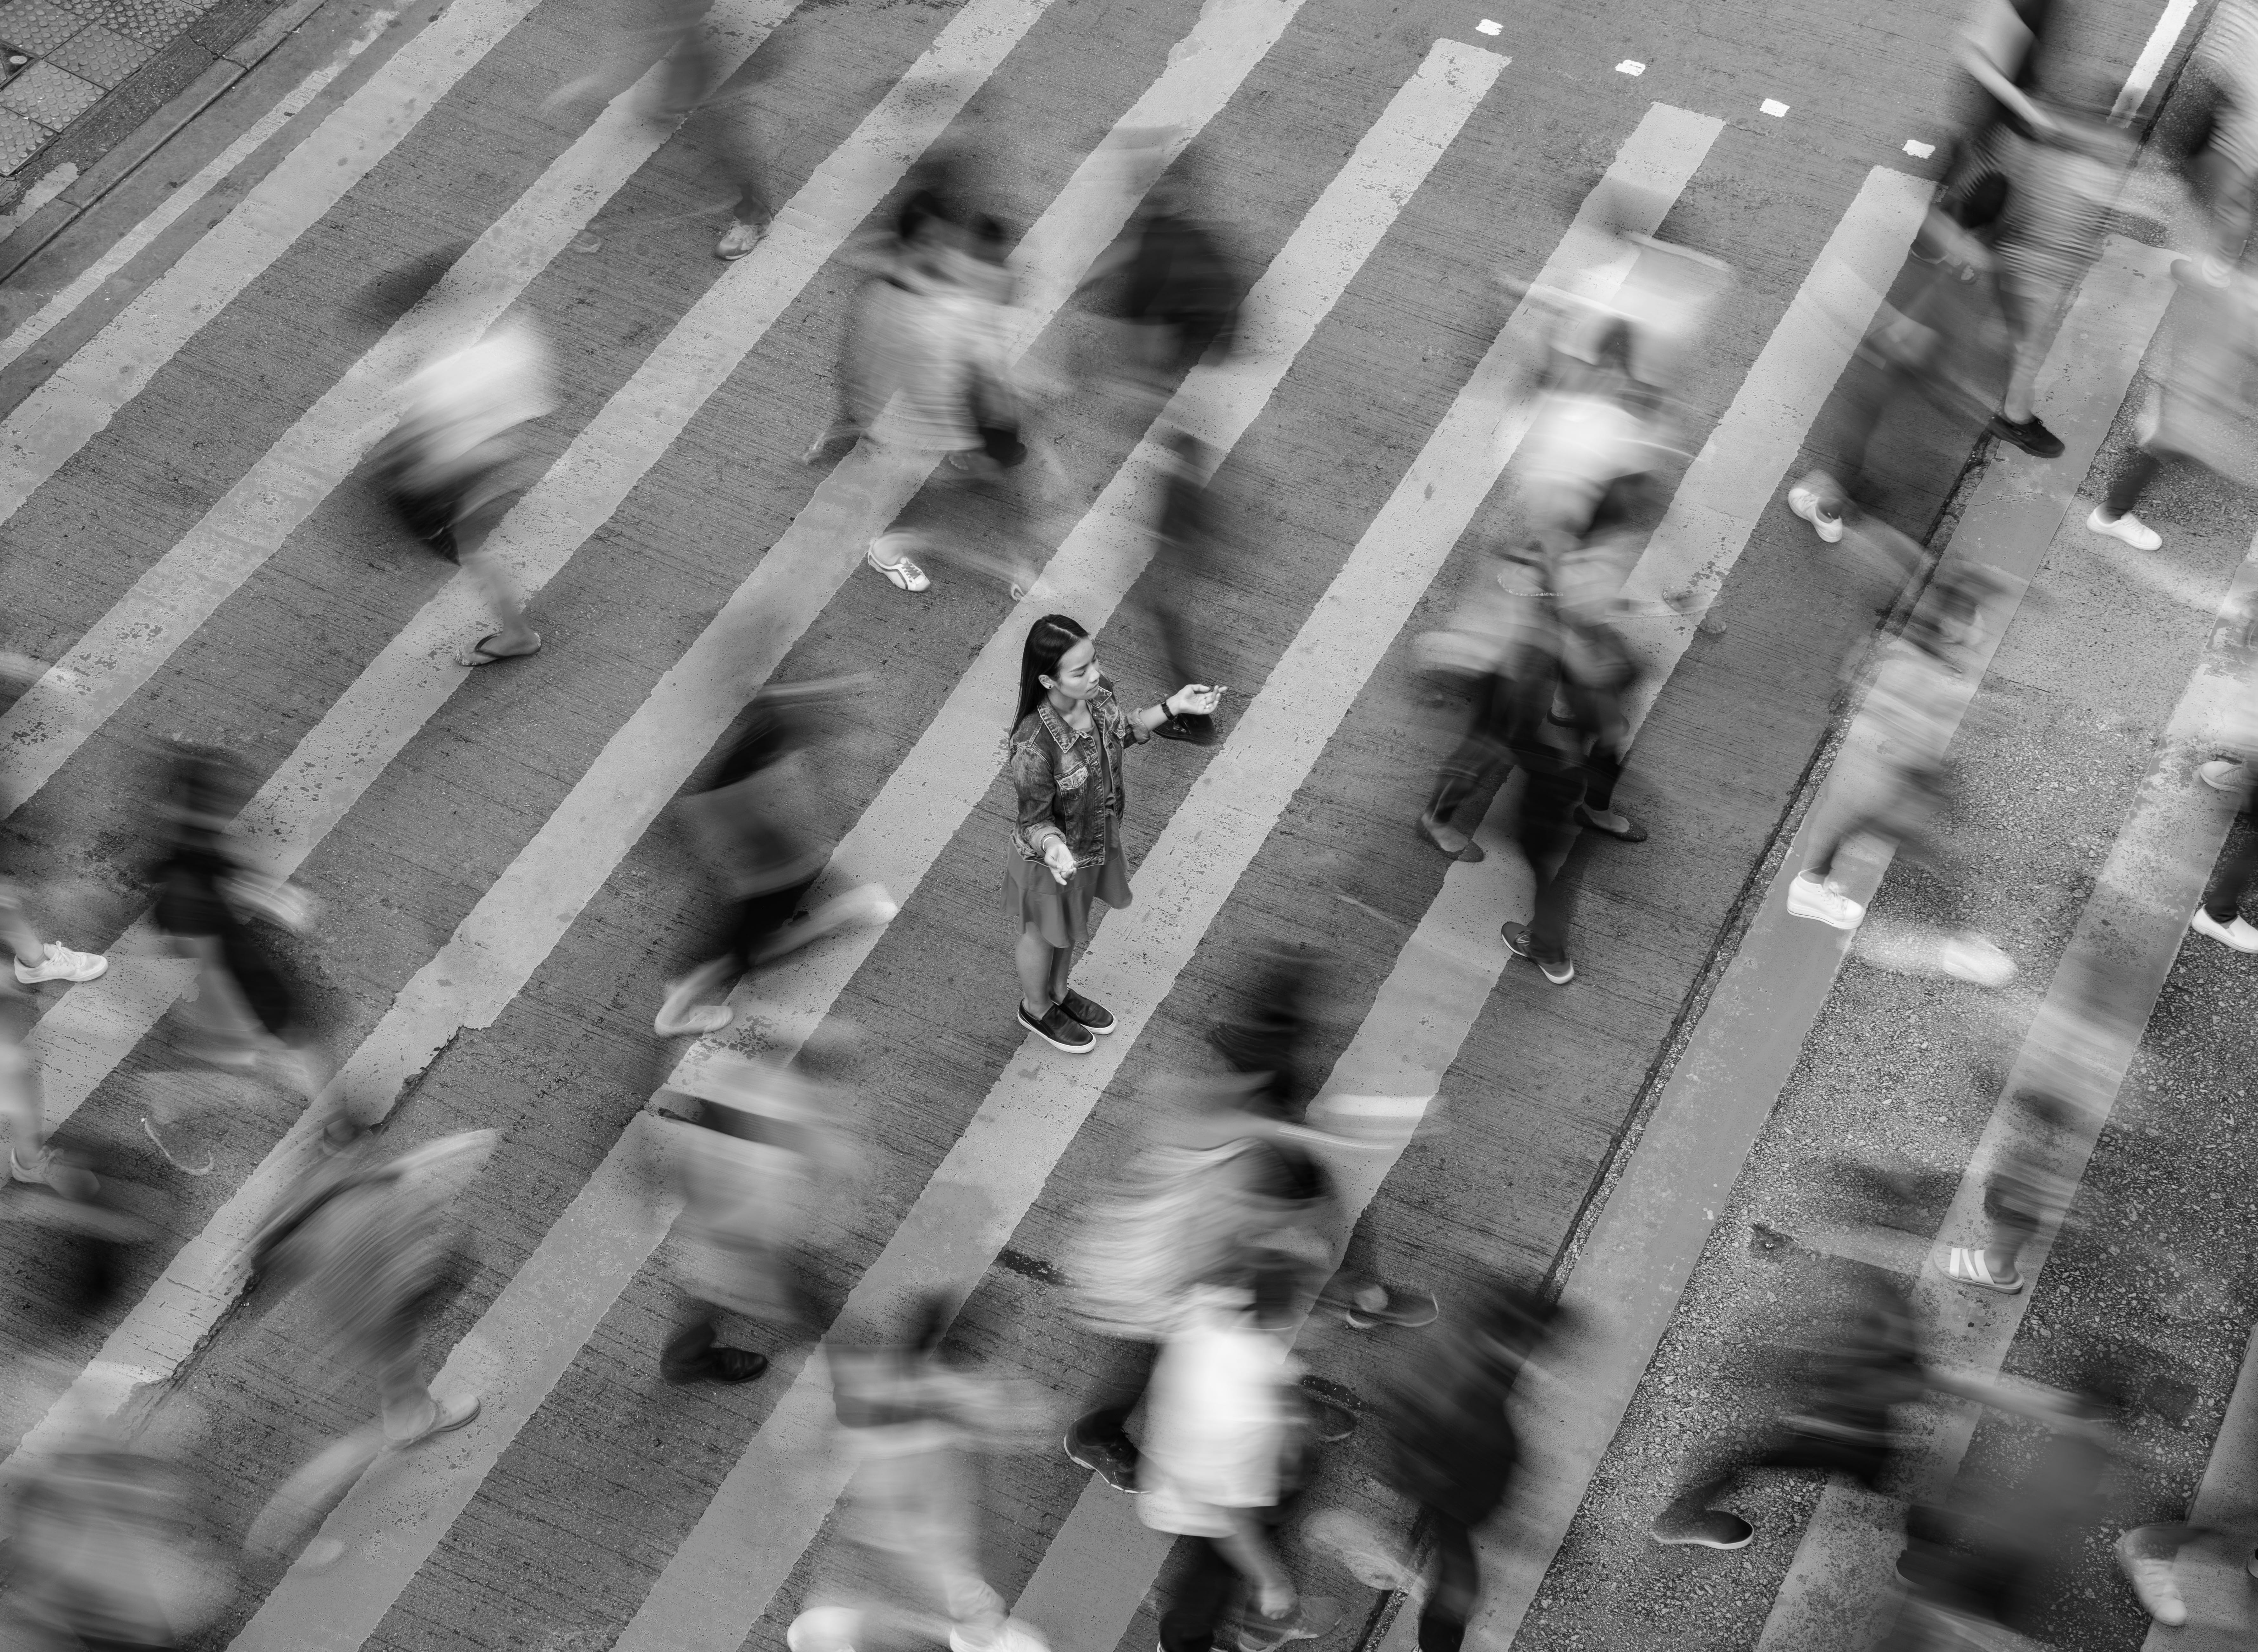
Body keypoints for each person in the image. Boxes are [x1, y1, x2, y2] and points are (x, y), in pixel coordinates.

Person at [1650, 1272, 2075, 1551]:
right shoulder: (1882, 1346)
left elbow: (1955, 1382)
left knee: (1743, 1457)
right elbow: (1961, 1384)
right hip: (1849, 1441)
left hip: (1831, 1439)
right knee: (1870, 1475)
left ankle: (1683, 1515)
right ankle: (1929, 1533)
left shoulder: (1874, 1355)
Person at [240, 1128, 492, 1564]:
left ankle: (414, 1416)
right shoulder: (375, 1204)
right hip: (364, 1323)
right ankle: (273, 1543)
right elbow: (413, 1279)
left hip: (357, 1318)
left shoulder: (335, 1190)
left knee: (391, 1382)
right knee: (342, 1439)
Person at [1782, 566, 2016, 987]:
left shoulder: (1910, 652)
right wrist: (1916, 771)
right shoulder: (1911, 665)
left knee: (1928, 849)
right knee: (1932, 852)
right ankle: (1938, 949)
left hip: (1897, 774)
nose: (1980, 624)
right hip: (1888, 777)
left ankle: (1820, 888)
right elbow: (1890, 724)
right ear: (1949, 623)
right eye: (1972, 615)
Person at [1002, 615, 1220, 1053]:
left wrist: (1174, 705)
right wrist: (1054, 848)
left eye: (1093, 661)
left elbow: (1123, 729)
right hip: (1051, 862)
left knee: (1071, 925)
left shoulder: (1099, 697)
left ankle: (1060, 992)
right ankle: (1037, 1006)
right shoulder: (1033, 744)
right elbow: (1032, 822)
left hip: (1094, 839)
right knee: (1043, 934)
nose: (1095, 675)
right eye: (1080, 671)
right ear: (1048, 679)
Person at [1308, 1281, 1560, 1652]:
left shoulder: (1463, 1507)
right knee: (1476, 1392)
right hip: (1455, 1456)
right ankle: (1509, 1326)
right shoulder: (1461, 1503)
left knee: (1476, 1391)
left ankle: (1508, 1327)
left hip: (1453, 1458)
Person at [799, 1294, 1048, 1652]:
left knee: (891, 1551)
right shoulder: (936, 1383)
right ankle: (978, 1633)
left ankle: (838, 1619)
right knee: (945, 1558)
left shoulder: (861, 1371)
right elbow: (1011, 1413)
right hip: (926, 1476)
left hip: (883, 1477)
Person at [654, 679, 896, 1038]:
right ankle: (674, 1011)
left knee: (754, 939)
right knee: (751, 942)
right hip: (743, 831)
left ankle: (853, 907)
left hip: (748, 838)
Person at [145, 745, 329, 1172]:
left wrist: (273, 897)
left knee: (294, 1050)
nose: (227, 815)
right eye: (216, 806)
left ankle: (334, 1127)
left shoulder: (196, 853)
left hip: (234, 969)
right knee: (237, 1073)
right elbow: (206, 972)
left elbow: (224, 876)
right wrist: (243, 1038)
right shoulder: (185, 893)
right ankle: (164, 1116)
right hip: (222, 990)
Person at [1139, 1265, 1341, 1652]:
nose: (1326, 1322)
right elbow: (1232, 1521)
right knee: (1225, 1562)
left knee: (1207, 1569)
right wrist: (1273, 1582)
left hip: (1183, 1475)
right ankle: (1262, 1629)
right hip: (1210, 1494)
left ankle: (1186, 1641)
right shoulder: (1245, 1413)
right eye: (1313, 1312)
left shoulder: (1212, 1303)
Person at [648, 1050, 851, 1385]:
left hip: (730, 1224)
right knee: (779, 1287)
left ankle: (686, 1358)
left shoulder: (749, 1084)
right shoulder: (761, 1097)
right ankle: (841, 1357)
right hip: (735, 1231)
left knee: (715, 1287)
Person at [371, 316, 553, 665]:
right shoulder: (501, 346)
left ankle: (518, 635)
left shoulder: (440, 378)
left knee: (471, 549)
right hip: (482, 449)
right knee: (469, 543)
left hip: (468, 461)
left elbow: (456, 456)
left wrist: (417, 479)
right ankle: (516, 633)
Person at [2087, 261, 2258, 553]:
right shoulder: (2236, 303)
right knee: (2159, 444)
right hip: (2185, 386)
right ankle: (2110, 515)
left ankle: (2121, 505)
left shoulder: (2238, 298)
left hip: (2196, 383)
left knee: (2169, 442)